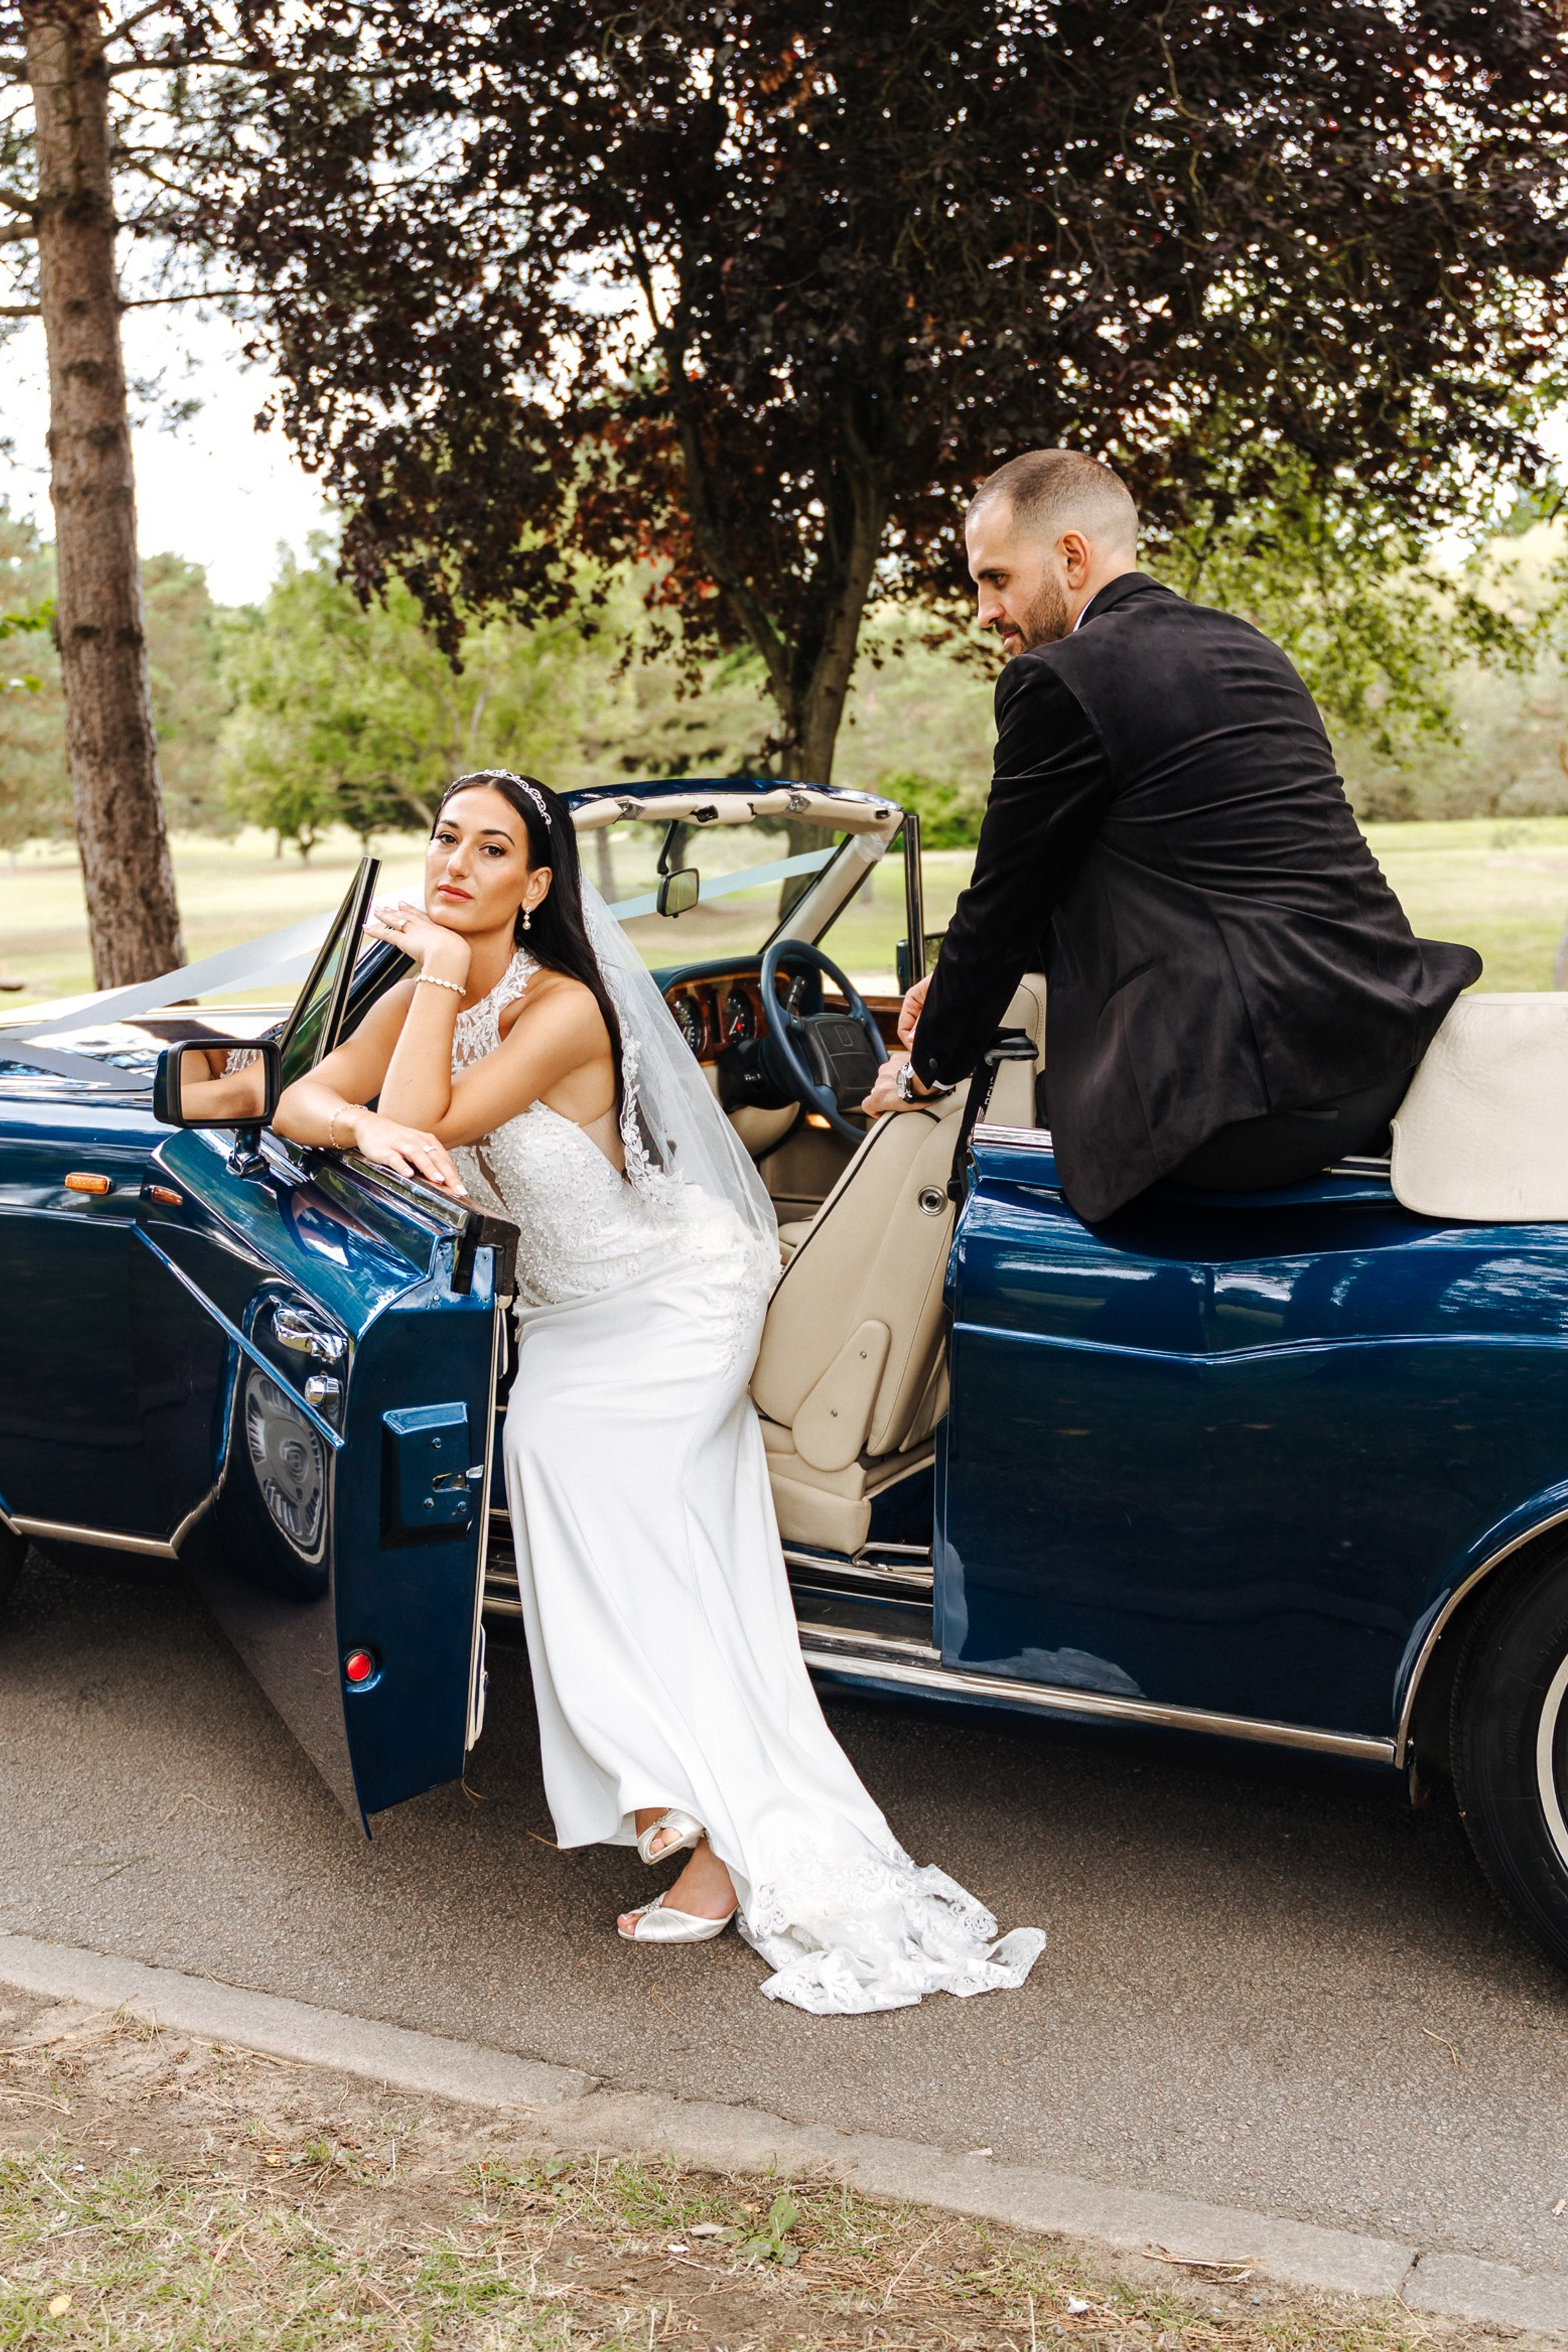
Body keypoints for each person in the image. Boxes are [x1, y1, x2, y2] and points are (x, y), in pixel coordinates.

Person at [273, 770, 1044, 2016]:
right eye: (444, 839)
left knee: (571, 1475)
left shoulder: (563, 1007)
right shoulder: (429, 990)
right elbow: (312, 1101)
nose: (454, 864)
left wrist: (429, 991)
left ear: (537, 885)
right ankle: (676, 1803)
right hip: (567, 1313)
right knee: (601, 1507)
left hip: (674, 1296)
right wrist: (358, 1122)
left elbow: (427, 1121)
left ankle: (688, 1814)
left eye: (490, 850)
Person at [863, 449, 1482, 1223]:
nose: (985, 612)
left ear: (1072, 557)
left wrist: (923, 1071)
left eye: (996, 578)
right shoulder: (1247, 647)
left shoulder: (1058, 677)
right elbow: (1176, 867)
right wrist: (959, 984)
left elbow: (1005, 901)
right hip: (1370, 1053)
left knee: (1003, 1127)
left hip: (1247, 1103)